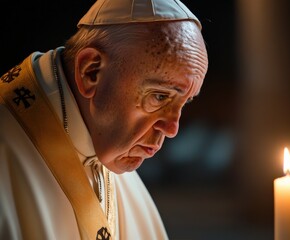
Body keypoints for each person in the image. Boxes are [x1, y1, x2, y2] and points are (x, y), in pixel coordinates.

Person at [0, 0, 208, 239]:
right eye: (160, 96)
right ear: (91, 72)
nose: (172, 128)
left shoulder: (107, 146)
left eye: (185, 102)